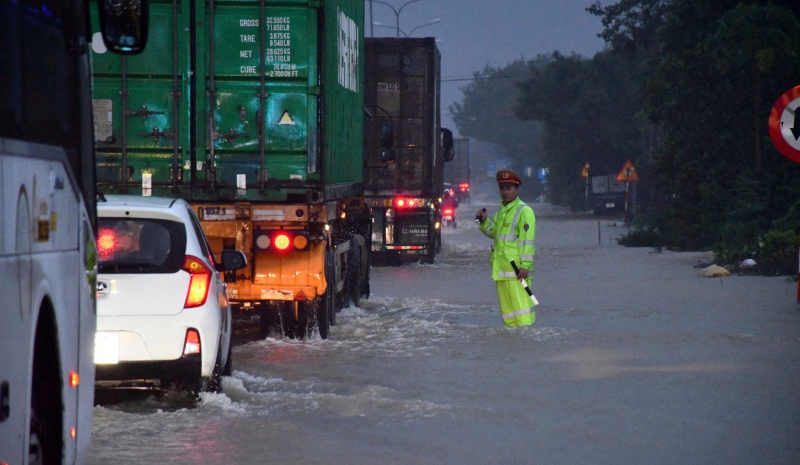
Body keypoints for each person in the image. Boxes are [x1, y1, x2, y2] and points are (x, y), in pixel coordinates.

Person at [475, 169, 536, 327]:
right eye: (502, 188)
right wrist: (484, 221)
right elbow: (494, 232)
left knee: (523, 316)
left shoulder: (524, 211)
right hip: (501, 271)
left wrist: (525, 266)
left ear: (517, 189)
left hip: (517, 272)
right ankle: (512, 346)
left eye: (509, 188)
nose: (504, 192)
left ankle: (527, 345)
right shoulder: (502, 211)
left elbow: (527, 241)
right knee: (509, 318)